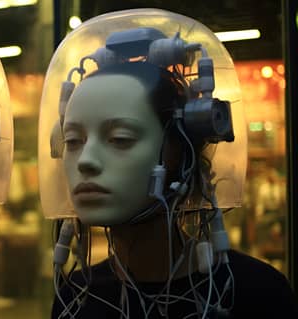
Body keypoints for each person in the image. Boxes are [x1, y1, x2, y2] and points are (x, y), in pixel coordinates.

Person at [38, 9, 298, 319]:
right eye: (72, 141)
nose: (87, 162)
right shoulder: (75, 298)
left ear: (181, 152)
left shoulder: (253, 295)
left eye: (120, 139)